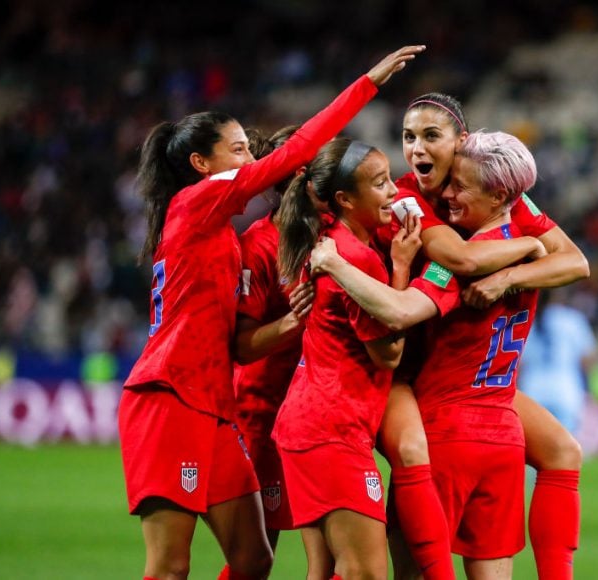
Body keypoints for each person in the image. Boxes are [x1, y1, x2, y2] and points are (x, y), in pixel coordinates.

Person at [117, 45, 424, 580]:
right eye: (238, 150)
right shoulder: (195, 204)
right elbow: (294, 151)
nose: (251, 161)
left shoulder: (224, 237)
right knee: (169, 566)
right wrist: (367, 83)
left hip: (214, 403)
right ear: (201, 165)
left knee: (255, 558)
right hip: (171, 396)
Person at [311, 130, 547, 579]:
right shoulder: (530, 249)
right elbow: (567, 257)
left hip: (447, 437)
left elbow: (398, 313)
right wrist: (535, 244)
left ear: (498, 195)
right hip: (504, 440)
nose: (448, 194)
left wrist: (335, 264)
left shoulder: (463, 260)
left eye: (461, 186)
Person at [380, 93, 589, 580]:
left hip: (444, 384)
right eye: (409, 137)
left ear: (462, 141)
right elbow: (465, 261)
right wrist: (529, 249)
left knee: (563, 452)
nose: (416, 149)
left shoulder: (496, 189)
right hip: (400, 367)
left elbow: (576, 261)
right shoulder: (409, 194)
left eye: (432, 136)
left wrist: (507, 277)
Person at [274, 137, 421, 580]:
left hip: (304, 426)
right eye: (379, 184)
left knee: (324, 570)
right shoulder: (357, 259)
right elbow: (389, 355)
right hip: (333, 429)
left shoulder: (329, 243)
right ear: (343, 199)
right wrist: (400, 268)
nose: (394, 191)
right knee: (368, 572)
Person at [231, 125, 310, 552]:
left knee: (342, 550)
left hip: (322, 414)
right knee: (258, 555)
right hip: (266, 414)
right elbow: (242, 347)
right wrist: (295, 321)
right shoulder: (259, 246)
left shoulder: (337, 235)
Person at [518, 288, 597, 437]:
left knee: (534, 449)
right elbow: (587, 359)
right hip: (565, 389)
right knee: (566, 451)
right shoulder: (573, 320)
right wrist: (592, 386)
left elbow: (519, 363)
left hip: (533, 390)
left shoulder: (529, 320)